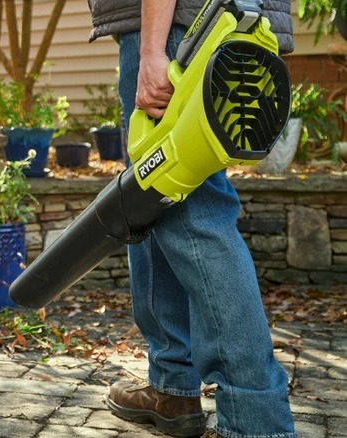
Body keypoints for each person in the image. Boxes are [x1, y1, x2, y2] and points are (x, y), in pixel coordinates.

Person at [86, 1, 297, 437]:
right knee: (153, 202)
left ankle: (256, 418)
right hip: (213, 21)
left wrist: (150, 51)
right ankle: (172, 388)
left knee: (193, 212)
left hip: (181, 29)